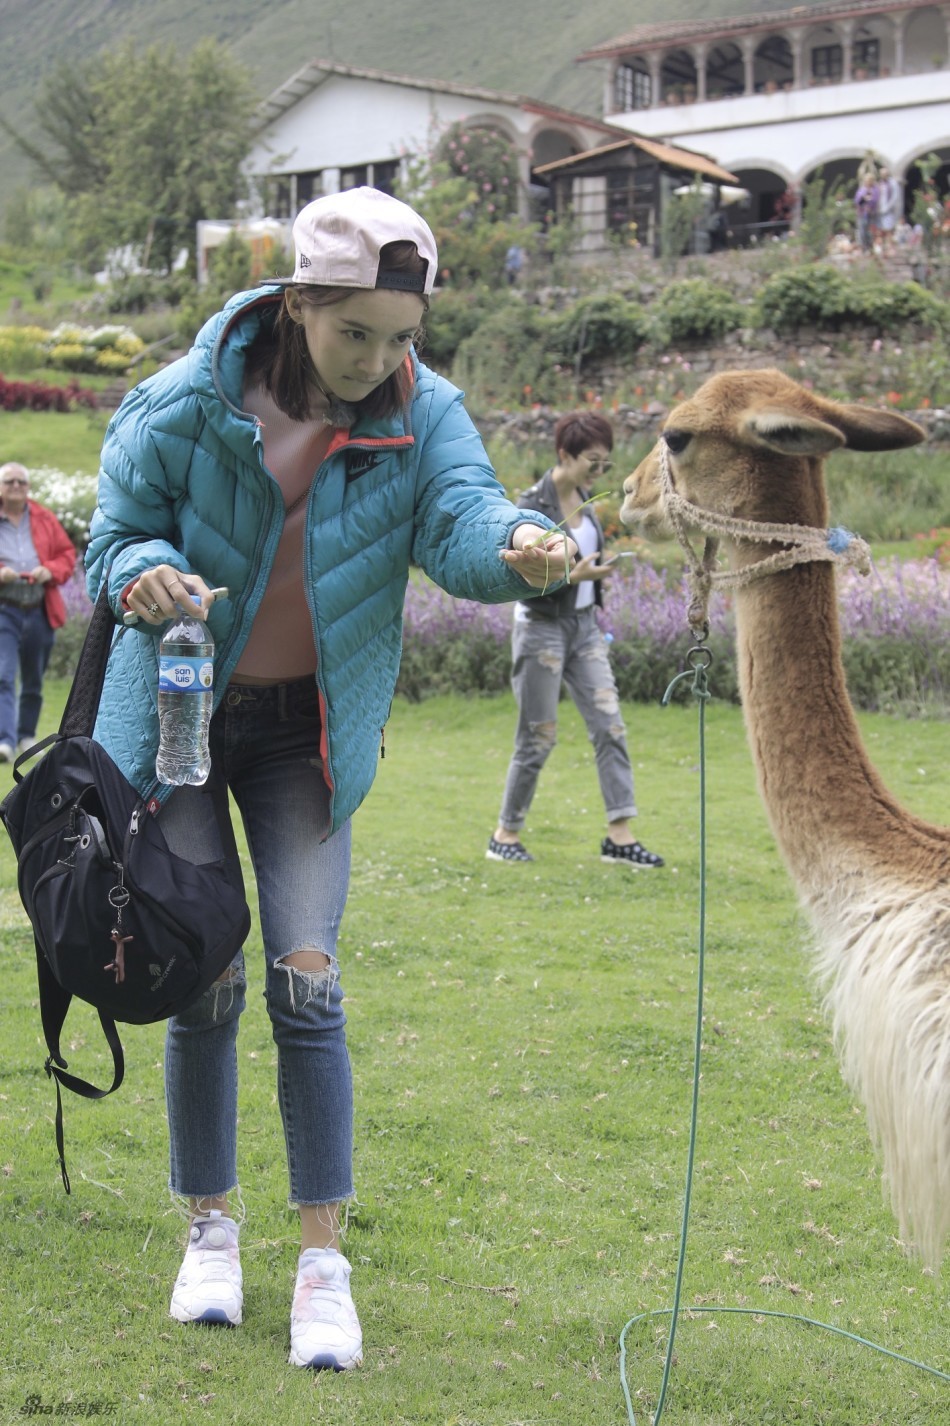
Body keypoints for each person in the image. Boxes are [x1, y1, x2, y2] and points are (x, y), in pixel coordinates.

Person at [84, 187, 574, 1372]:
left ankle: (321, 1262)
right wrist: (146, 569)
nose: (379, 360)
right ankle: (209, 1228)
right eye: (356, 332)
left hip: (307, 737)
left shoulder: (425, 408)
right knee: (204, 976)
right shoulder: (185, 401)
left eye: (401, 336)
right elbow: (109, 540)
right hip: (179, 726)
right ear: (297, 304)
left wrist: (515, 547)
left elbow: (458, 520)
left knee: (309, 980)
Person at [486, 411, 664, 869]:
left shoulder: (586, 496)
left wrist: (593, 571)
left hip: (584, 628)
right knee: (538, 737)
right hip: (541, 628)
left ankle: (619, 837)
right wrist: (572, 574)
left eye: (605, 464)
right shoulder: (531, 507)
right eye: (592, 461)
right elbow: (520, 576)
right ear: (564, 454)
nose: (600, 472)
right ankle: (504, 834)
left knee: (610, 726)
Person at [0, 462, 76, 761]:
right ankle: (4, 740)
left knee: (33, 678)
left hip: (39, 607)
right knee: (3, 674)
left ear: (28, 487)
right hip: (5, 607)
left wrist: (50, 570)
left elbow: (67, 555)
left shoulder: (44, 518)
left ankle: (25, 736)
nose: (16, 486)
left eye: (21, 481)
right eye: (10, 482)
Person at [874, 167, 902, 253]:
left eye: (884, 174)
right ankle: (881, 248)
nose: (882, 176)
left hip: (889, 210)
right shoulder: (880, 183)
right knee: (880, 230)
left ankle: (891, 248)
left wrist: (888, 207)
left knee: (888, 229)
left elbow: (895, 197)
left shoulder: (892, 183)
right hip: (880, 210)